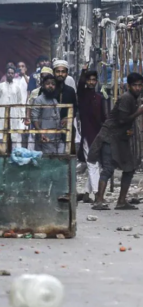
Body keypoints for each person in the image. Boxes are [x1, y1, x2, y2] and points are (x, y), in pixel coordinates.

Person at [88, 72, 143, 211]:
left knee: (129, 168)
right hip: (110, 137)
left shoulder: (134, 98)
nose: (138, 88)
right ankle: (99, 200)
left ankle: (121, 201)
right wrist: (139, 112)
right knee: (108, 168)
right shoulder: (126, 98)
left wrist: (128, 130)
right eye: (135, 85)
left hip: (120, 138)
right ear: (128, 86)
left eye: (140, 85)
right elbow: (122, 119)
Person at [77, 65, 106, 203]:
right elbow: (81, 84)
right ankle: (97, 193)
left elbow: (103, 117)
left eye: (94, 80)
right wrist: (83, 71)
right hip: (87, 134)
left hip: (98, 133)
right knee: (92, 163)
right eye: (89, 80)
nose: (91, 82)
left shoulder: (99, 97)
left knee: (96, 164)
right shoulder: (82, 95)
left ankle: (87, 193)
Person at [31, 75, 64, 154]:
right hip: (44, 139)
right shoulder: (39, 100)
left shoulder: (55, 100)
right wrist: (41, 133)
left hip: (56, 139)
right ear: (43, 85)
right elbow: (34, 118)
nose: (50, 86)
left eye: (53, 84)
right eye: (48, 84)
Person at [52, 60, 78, 153]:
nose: (60, 74)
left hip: (66, 126)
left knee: (68, 152)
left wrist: (68, 118)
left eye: (63, 72)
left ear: (66, 74)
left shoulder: (70, 90)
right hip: (50, 126)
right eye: (58, 71)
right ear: (54, 73)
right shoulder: (47, 89)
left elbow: (75, 107)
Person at [0, 66, 24, 147]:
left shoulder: (17, 87)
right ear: (6, 74)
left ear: (14, 74)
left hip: (14, 114)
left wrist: (21, 114)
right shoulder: (0, 86)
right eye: (9, 73)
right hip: (2, 113)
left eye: (12, 73)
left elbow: (19, 102)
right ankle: (2, 153)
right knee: (1, 135)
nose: (10, 75)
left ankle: (13, 154)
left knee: (14, 136)